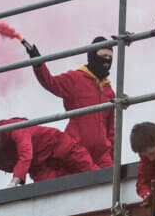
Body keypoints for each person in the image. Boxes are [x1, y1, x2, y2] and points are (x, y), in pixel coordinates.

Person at [23, 36, 116, 168]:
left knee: (111, 182)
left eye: (110, 56)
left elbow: (111, 130)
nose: (107, 59)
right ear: (92, 55)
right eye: (103, 54)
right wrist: (38, 62)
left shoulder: (109, 91)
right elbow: (51, 83)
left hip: (102, 154)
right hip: (77, 148)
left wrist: (113, 159)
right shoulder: (75, 79)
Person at [0, 118, 96, 199]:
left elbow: (25, 152)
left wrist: (15, 180)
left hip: (60, 148)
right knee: (55, 197)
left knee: (94, 176)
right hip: (40, 168)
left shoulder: (9, 128)